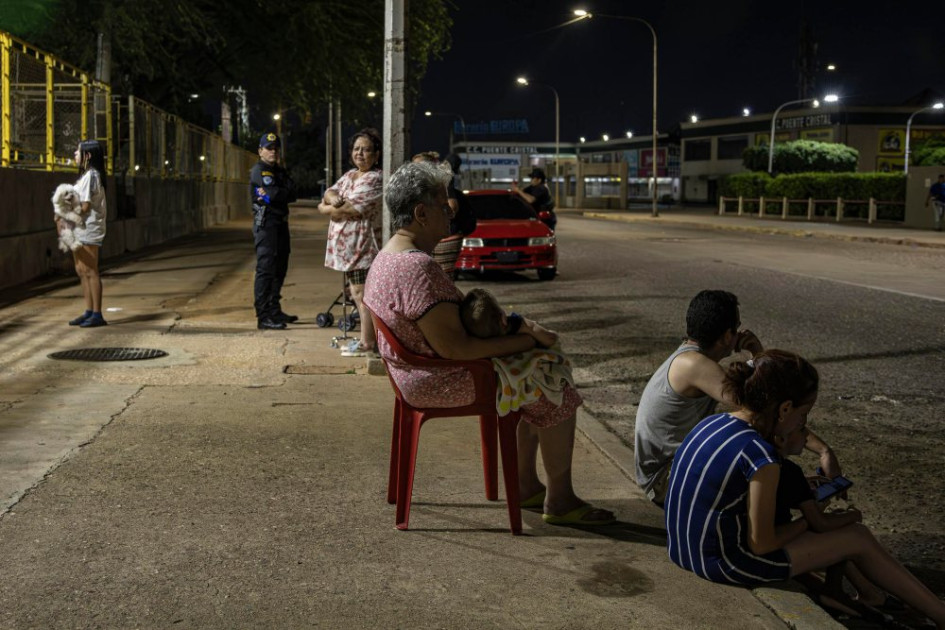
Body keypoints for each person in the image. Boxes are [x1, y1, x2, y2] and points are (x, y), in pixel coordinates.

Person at [363, 161, 615, 526]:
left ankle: (527, 485)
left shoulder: (387, 257)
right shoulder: (417, 269)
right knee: (552, 378)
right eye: (442, 204)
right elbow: (458, 349)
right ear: (420, 213)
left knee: (533, 368)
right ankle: (559, 499)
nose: (451, 212)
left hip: (412, 374)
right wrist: (524, 341)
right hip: (442, 378)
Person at [664, 350, 945, 628]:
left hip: (683, 549)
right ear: (785, 409)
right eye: (803, 415)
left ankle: (878, 596)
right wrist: (811, 517)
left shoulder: (713, 423)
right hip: (725, 564)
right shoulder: (760, 454)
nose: (803, 424)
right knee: (857, 537)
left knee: (836, 532)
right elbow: (761, 544)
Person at [634, 289, 840, 505]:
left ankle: (785, 487)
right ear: (726, 336)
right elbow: (764, 409)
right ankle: (789, 502)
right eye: (737, 328)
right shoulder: (693, 365)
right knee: (757, 434)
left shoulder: (689, 357)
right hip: (665, 480)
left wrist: (757, 357)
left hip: (669, 470)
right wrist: (823, 451)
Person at [319, 128, 383, 355]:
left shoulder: (375, 178)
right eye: (357, 149)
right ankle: (367, 341)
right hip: (347, 250)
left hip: (362, 247)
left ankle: (368, 344)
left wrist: (328, 209)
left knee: (361, 294)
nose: (360, 154)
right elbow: (329, 192)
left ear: (376, 154)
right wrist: (331, 201)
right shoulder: (349, 175)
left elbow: (350, 208)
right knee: (356, 293)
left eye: (366, 150)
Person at [461, 288, 573, 417]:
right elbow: (550, 339)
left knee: (525, 428)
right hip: (541, 392)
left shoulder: (484, 346)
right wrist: (530, 328)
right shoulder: (517, 324)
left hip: (515, 397)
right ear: (503, 318)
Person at [251, 132, 297, 330]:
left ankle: (273, 308)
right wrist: (282, 193)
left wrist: (282, 193)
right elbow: (272, 195)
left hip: (280, 223)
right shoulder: (259, 171)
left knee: (280, 266)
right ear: (260, 151)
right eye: (269, 148)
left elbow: (293, 192)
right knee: (266, 268)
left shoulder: (278, 170)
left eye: (276, 148)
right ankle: (263, 316)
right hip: (266, 224)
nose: (273, 152)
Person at [61, 139, 108, 328]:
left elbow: (85, 205)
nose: (74, 154)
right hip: (79, 228)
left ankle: (97, 314)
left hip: (89, 228)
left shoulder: (92, 175)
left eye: (77, 151)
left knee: (90, 270)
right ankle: (89, 311)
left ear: (87, 156)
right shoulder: (86, 175)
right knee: (81, 270)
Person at [512, 167, 556, 231]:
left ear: (539, 180)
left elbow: (531, 200)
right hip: (535, 218)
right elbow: (523, 192)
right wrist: (517, 189)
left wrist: (518, 190)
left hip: (544, 220)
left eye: (533, 178)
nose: (531, 180)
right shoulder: (532, 187)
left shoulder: (541, 188)